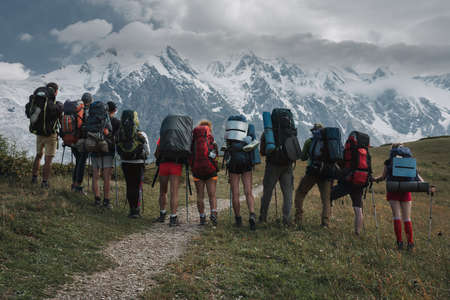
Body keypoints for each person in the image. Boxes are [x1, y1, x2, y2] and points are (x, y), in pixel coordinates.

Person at [373, 143, 435, 251]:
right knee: (407, 218)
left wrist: (374, 179)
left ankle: (399, 243)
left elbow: (383, 177)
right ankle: (410, 243)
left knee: (396, 216)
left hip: (393, 190)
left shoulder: (389, 162)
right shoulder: (409, 162)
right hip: (406, 190)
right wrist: (427, 188)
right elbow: (417, 177)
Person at [330, 131, 372, 235]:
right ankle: (357, 232)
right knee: (358, 208)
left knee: (328, 196)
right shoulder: (366, 153)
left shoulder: (349, 151)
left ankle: (327, 220)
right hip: (360, 182)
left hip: (347, 181)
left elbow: (342, 163)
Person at [294, 123, 332, 229]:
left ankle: (298, 218)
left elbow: (303, 157)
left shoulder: (309, 142)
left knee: (300, 193)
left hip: (312, 172)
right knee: (326, 200)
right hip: (326, 174)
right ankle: (325, 223)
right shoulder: (329, 142)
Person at [224, 115, 257, 230]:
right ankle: (252, 215)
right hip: (246, 162)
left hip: (233, 163)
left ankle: (238, 220)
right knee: (248, 191)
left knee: (235, 193)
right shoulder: (248, 128)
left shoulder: (229, 129)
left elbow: (226, 145)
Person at [30, 82, 63, 188]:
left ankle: (34, 178)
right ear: (55, 91)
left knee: (38, 155)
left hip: (39, 133)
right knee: (48, 159)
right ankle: (44, 182)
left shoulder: (39, 101)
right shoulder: (55, 105)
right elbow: (59, 115)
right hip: (50, 135)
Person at [118, 110, 150, 218]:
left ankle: (131, 209)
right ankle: (136, 211)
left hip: (125, 162)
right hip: (138, 163)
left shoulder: (120, 133)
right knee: (137, 186)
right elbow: (148, 151)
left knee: (129, 185)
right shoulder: (141, 134)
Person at [259, 134, 294, 226]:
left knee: (267, 192)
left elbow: (262, 151)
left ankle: (263, 218)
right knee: (288, 194)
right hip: (287, 165)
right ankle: (286, 220)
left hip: (272, 165)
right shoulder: (288, 128)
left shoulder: (268, 131)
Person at [190, 120, 219, 226]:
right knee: (212, 195)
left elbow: (191, 156)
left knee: (200, 195)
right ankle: (214, 214)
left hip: (197, 171)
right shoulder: (212, 140)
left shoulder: (194, 141)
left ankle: (202, 217)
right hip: (210, 171)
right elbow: (215, 156)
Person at [90, 101, 117, 208]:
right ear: (114, 110)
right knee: (106, 177)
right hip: (107, 151)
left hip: (93, 148)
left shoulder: (93, 118)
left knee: (95, 176)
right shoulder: (114, 121)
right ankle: (106, 201)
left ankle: (97, 199)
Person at [154, 139, 184, 226]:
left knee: (163, 191)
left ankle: (162, 214)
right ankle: (173, 218)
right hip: (176, 165)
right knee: (174, 192)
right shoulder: (180, 137)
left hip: (163, 165)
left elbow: (156, 153)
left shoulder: (163, 136)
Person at [70, 92, 93, 194]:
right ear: (90, 101)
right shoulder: (86, 111)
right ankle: (77, 186)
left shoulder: (76, 109)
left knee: (78, 162)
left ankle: (74, 184)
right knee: (81, 162)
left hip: (72, 139)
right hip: (82, 140)